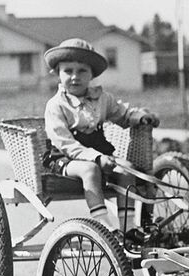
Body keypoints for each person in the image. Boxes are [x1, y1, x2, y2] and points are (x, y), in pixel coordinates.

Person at [43, 37, 159, 237]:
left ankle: (128, 227)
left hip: (100, 153)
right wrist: (95, 157)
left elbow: (123, 113)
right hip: (65, 158)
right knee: (90, 169)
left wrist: (140, 117)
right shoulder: (56, 105)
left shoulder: (101, 98)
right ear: (57, 74)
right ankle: (104, 224)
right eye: (68, 71)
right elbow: (64, 142)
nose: (74, 77)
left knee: (126, 168)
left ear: (91, 75)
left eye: (82, 71)